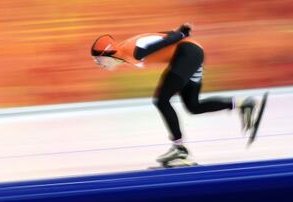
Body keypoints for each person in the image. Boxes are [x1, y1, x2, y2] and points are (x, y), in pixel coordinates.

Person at [90, 23, 257, 165]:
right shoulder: (126, 51)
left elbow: (161, 42)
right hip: (190, 54)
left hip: (187, 53)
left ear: (107, 53)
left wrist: (181, 33)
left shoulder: (131, 51)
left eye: (98, 60)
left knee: (161, 101)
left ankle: (180, 150)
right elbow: (159, 37)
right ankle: (243, 103)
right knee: (193, 106)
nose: (99, 65)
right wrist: (180, 30)